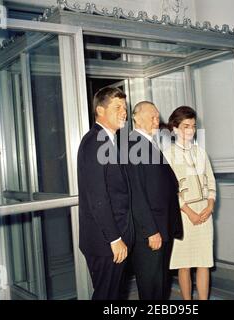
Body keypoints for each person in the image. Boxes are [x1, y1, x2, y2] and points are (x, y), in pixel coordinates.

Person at [77, 87, 134, 300]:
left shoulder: (107, 140)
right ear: (100, 110)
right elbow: (97, 197)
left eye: (125, 108)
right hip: (106, 242)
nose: (124, 113)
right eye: (117, 107)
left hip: (111, 240)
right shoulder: (96, 141)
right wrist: (114, 238)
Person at [126, 101, 183, 300]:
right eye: (152, 116)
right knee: (151, 287)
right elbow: (136, 195)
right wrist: (151, 231)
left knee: (160, 284)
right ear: (137, 118)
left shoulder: (148, 143)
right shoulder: (132, 145)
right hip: (151, 232)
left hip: (161, 227)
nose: (157, 121)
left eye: (158, 116)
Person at [163, 106, 216, 300]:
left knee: (204, 262)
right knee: (183, 264)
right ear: (175, 128)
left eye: (193, 126)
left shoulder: (200, 152)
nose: (191, 130)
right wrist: (189, 212)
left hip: (205, 213)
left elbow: (211, 181)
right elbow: (169, 190)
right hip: (183, 216)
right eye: (186, 126)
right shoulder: (167, 155)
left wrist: (210, 206)